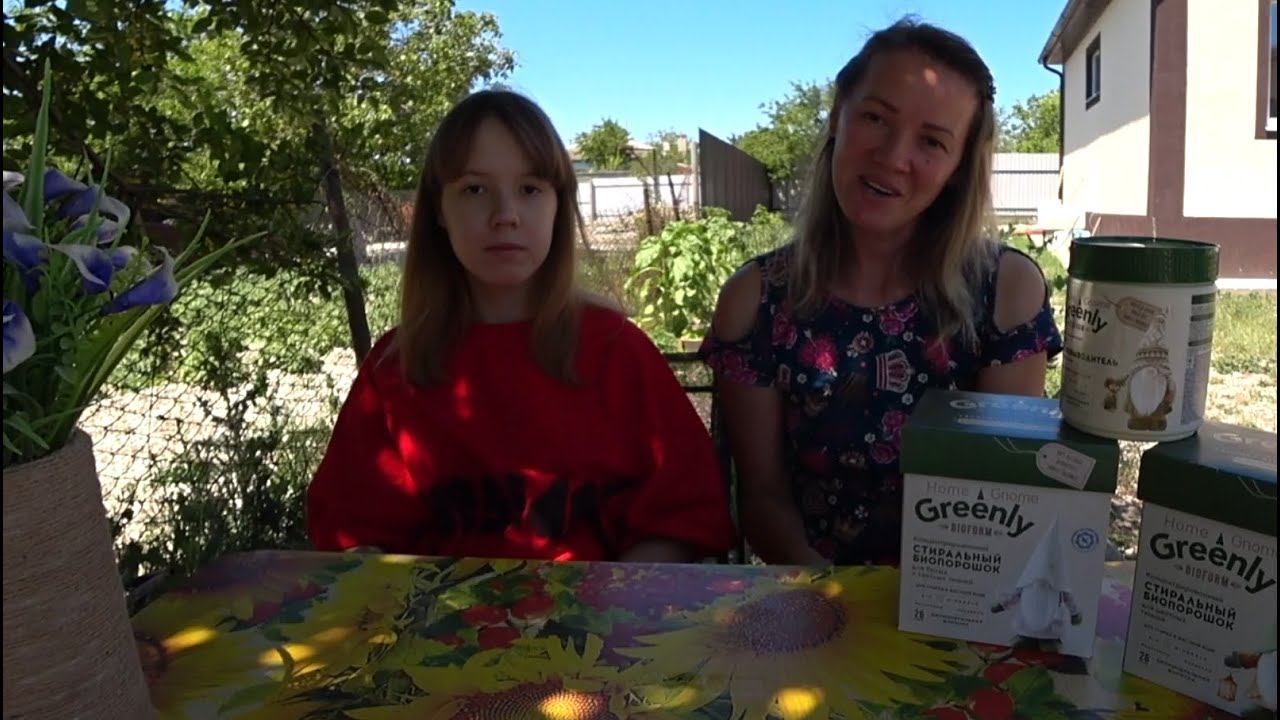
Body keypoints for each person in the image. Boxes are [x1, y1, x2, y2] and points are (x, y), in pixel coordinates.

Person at [308, 90, 735, 564]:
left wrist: (612, 599)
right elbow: (352, 539)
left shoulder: (617, 351)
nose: (505, 216)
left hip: (600, 610)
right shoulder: (396, 368)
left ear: (558, 206)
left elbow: (682, 523)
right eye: (475, 189)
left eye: (530, 189)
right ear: (439, 212)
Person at [701, 18, 1063, 567]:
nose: (894, 157)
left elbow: (1005, 489)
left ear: (958, 167)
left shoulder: (1006, 292)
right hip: (815, 596)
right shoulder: (755, 301)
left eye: (932, 141)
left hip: (965, 592)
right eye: (875, 118)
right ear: (837, 117)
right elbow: (762, 498)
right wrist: (838, 599)